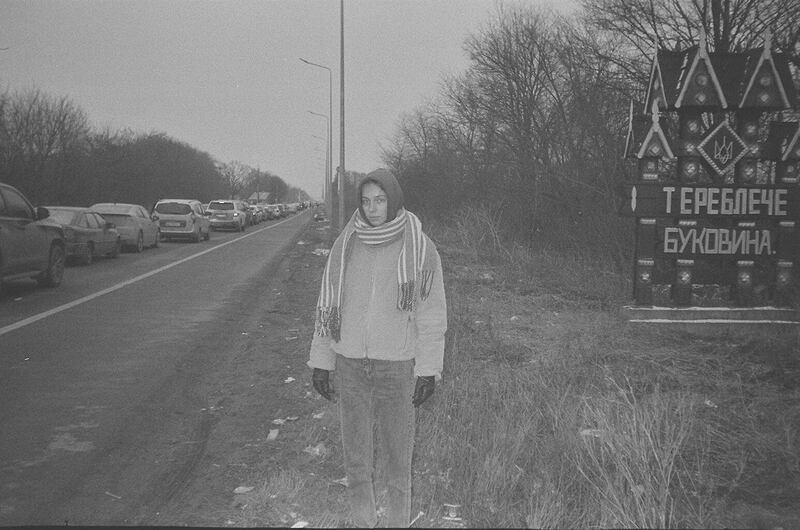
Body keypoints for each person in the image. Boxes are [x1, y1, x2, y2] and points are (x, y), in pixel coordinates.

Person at [308, 168, 447, 528]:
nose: (372, 208)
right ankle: (363, 523)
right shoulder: (346, 243)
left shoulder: (420, 247)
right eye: (366, 201)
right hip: (350, 365)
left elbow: (431, 314)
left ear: (394, 199)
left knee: (398, 466)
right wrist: (322, 361)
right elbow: (328, 308)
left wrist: (428, 370)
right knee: (356, 464)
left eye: (380, 200)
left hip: (397, 369)